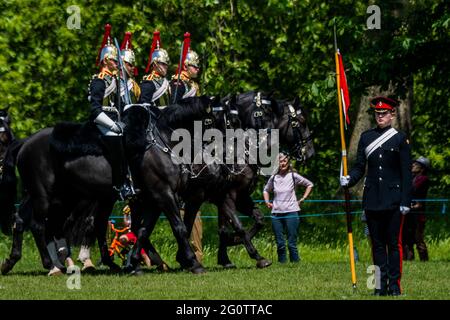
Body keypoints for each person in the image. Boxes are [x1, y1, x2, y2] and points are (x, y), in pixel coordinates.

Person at [340, 96, 412, 296]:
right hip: (372, 199)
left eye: (384, 113)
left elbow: (406, 173)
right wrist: (349, 179)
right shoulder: (366, 137)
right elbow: (359, 167)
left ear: (391, 115)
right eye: (377, 113)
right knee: (377, 245)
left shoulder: (400, 138)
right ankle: (379, 286)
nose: (380, 116)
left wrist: (406, 201)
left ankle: (395, 286)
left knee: (394, 245)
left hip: (394, 200)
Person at [88, 24, 136, 201]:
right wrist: (112, 125)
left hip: (116, 122)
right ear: (105, 61)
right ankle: (119, 183)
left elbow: (121, 104)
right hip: (102, 123)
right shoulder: (99, 81)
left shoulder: (115, 81)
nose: (117, 63)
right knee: (117, 144)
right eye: (115, 61)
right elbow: (94, 109)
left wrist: (125, 121)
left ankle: (132, 180)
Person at [170, 32, 204, 263]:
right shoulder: (178, 85)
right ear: (186, 66)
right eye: (194, 67)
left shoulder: (193, 85)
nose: (197, 70)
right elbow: (174, 112)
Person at [263, 153, 313, 263]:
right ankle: (282, 264)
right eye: (280, 161)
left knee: (291, 243)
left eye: (285, 161)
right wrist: (267, 202)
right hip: (276, 214)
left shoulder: (293, 176)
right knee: (280, 244)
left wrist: (303, 198)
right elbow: (266, 190)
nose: (283, 163)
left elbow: (309, 184)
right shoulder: (274, 177)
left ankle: (295, 264)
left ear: (288, 163)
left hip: (291, 213)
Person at [403, 156, 430, 261]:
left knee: (418, 238)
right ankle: (409, 260)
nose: (413, 165)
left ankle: (424, 260)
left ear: (422, 169)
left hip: (418, 213)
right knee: (407, 239)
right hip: (409, 212)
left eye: (416, 164)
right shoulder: (411, 177)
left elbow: (413, 189)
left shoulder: (423, 179)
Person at [139, 30, 171, 109]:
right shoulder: (149, 82)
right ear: (154, 64)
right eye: (163, 64)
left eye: (166, 64)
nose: (166, 66)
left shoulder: (166, 81)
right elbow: (144, 106)